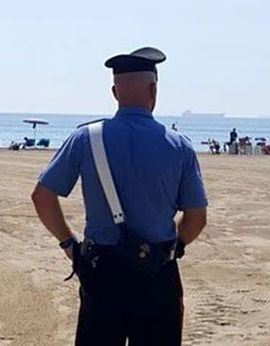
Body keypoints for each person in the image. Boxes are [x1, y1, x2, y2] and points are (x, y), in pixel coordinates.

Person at [31, 47, 208, 345]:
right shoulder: (179, 146)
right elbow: (196, 218)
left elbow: (42, 196)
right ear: (154, 89)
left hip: (103, 273)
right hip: (158, 273)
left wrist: (69, 244)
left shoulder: (86, 138)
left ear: (115, 92)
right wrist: (174, 246)